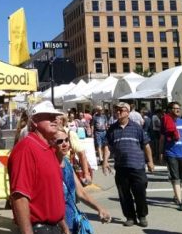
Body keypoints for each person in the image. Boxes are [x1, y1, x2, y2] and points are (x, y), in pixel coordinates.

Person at [8, 100, 68, 234]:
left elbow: (52, 195)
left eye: (55, 116)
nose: (54, 120)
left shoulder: (49, 149)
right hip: (39, 229)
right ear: (34, 121)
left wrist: (64, 228)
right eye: (48, 116)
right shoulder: (25, 149)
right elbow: (19, 197)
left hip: (54, 227)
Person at [103, 102, 154, 227]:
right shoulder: (112, 128)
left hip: (137, 166)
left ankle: (142, 216)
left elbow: (146, 145)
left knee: (140, 192)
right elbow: (107, 147)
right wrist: (104, 161)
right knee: (124, 195)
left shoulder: (136, 127)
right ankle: (130, 217)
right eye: (116, 110)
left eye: (121, 110)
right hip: (121, 167)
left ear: (127, 112)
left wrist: (150, 162)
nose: (118, 112)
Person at [54, 129, 110, 233]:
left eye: (66, 140)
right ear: (51, 144)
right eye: (60, 141)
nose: (65, 144)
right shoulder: (49, 168)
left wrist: (99, 208)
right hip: (58, 226)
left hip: (73, 221)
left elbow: (81, 193)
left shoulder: (67, 163)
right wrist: (64, 228)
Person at [159, 101, 182, 211]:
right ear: (170, 110)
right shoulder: (165, 121)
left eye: (179, 108)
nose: (177, 110)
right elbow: (162, 138)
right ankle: (180, 201)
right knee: (175, 177)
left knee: (181, 177)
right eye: (175, 108)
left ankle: (176, 195)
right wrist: (160, 152)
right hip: (170, 153)